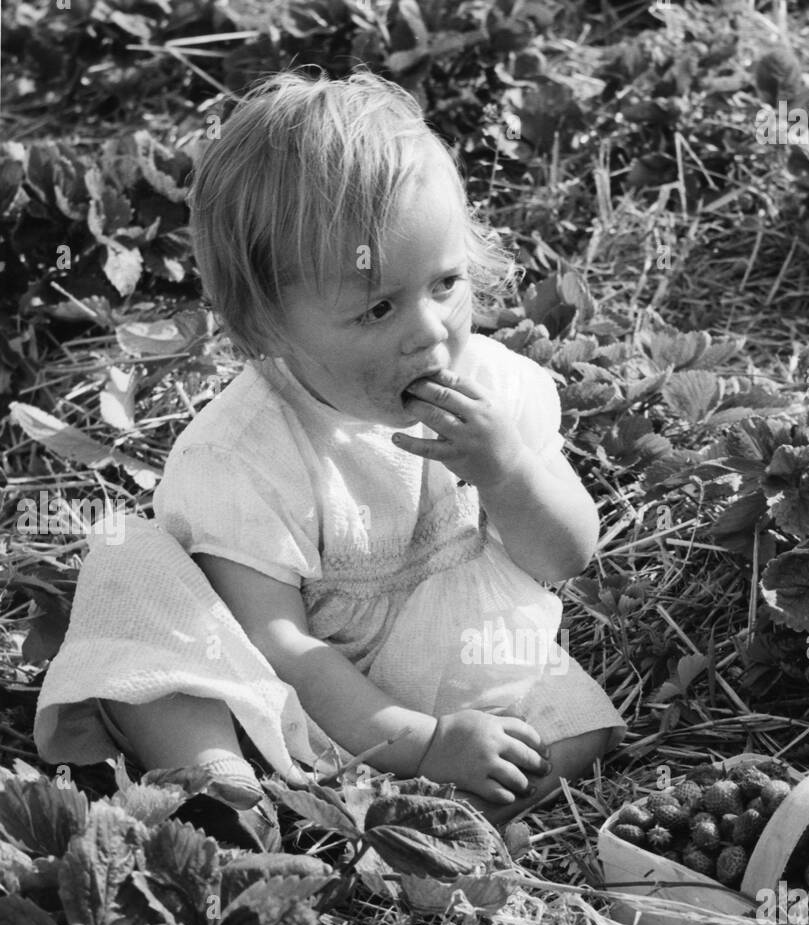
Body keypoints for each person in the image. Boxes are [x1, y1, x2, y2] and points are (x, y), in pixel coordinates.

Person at [33, 68, 625, 830]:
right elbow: (280, 645)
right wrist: (418, 743)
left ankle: (409, 818)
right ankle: (226, 790)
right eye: (377, 306)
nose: (428, 329)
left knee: (579, 727)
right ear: (267, 327)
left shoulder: (494, 392)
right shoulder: (243, 453)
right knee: (146, 609)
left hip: (446, 661)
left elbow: (563, 557)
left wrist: (507, 472)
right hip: (287, 693)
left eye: (444, 282)